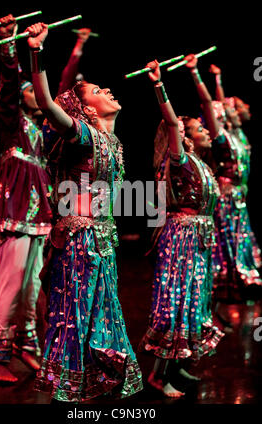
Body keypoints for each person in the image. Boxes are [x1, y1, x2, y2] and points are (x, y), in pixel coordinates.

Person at [24, 22, 143, 403]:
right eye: (97, 90)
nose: (106, 90)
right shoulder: (83, 134)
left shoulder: (111, 140)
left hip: (102, 237)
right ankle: (68, 393)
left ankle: (90, 387)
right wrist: (36, 52)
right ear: (87, 108)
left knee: (99, 315)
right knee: (75, 314)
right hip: (81, 238)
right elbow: (46, 103)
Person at [138, 59, 224, 398]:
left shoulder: (202, 164)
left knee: (193, 304)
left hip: (198, 240)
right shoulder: (181, 161)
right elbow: (173, 125)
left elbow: (214, 124)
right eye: (197, 129)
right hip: (181, 241)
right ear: (185, 138)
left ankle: (176, 365)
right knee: (175, 304)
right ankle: (159, 377)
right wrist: (159, 84)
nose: (205, 131)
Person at [0, 15, 52, 382]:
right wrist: (9, 42)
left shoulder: (41, 131)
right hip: (14, 209)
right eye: (31, 91)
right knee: (11, 282)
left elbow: (48, 93)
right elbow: (9, 83)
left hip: (38, 210)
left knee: (33, 285)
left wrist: (42, 48)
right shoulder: (11, 122)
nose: (36, 96)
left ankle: (27, 345)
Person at [191, 62, 262, 306]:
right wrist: (195, 73)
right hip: (226, 196)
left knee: (240, 238)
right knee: (228, 241)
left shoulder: (238, 134)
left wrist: (219, 79)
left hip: (239, 196)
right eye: (231, 107)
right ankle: (229, 286)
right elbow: (211, 105)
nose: (237, 108)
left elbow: (219, 104)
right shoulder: (221, 138)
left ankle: (243, 281)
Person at [57, 28, 91, 95]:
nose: (83, 83)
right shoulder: (67, 89)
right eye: (80, 81)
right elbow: (73, 62)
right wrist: (81, 41)